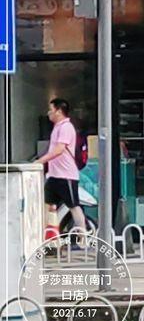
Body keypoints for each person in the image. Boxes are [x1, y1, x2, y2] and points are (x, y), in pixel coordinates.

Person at [38, 98, 87, 235]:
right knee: (47, 205)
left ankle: (83, 236)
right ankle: (48, 235)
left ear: (59, 111)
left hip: (66, 175)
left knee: (73, 206)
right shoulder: (57, 127)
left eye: (51, 110)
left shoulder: (66, 127)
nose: (49, 113)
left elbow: (59, 149)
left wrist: (40, 161)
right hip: (54, 175)